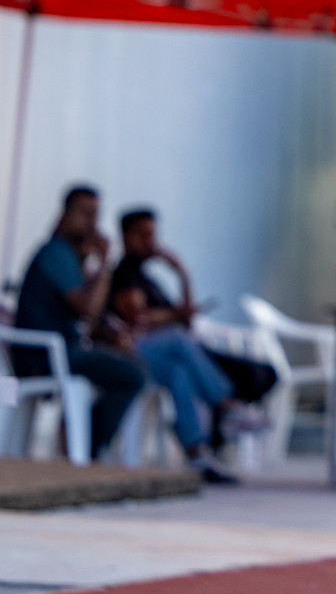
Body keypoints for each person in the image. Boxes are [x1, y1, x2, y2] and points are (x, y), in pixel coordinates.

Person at [111, 209, 273, 473]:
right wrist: (173, 316)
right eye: (142, 234)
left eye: (152, 234)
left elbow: (185, 319)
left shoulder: (149, 279)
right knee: (177, 339)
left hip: (158, 358)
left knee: (179, 372)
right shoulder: (124, 274)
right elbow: (137, 317)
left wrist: (181, 272)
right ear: (125, 237)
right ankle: (226, 404)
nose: (150, 241)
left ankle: (196, 452)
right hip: (131, 350)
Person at [12, 186, 147, 460]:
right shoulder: (56, 252)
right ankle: (85, 447)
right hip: (44, 356)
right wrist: (105, 262)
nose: (91, 222)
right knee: (132, 375)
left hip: (62, 350)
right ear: (64, 213)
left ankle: (80, 438)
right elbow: (89, 308)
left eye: (95, 215)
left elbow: (89, 315)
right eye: (84, 213)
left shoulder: (69, 255)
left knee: (128, 365)